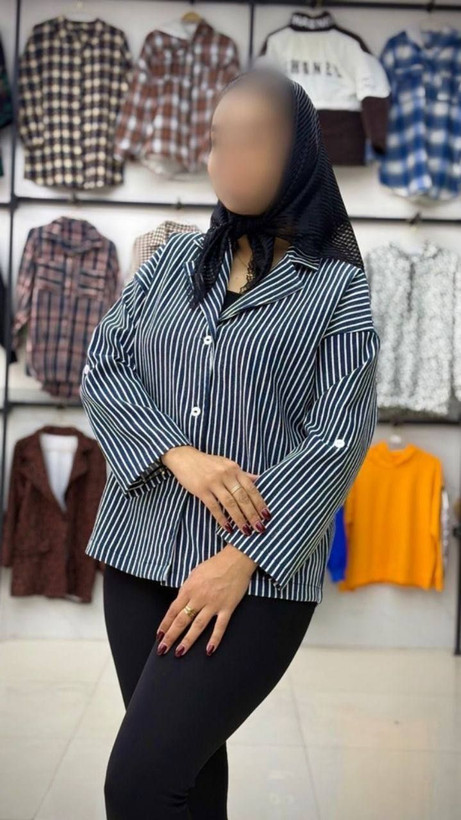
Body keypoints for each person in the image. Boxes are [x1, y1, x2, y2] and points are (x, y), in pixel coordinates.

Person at [80, 66, 380, 819]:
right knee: (184, 775)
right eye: (219, 141)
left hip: (254, 578)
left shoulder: (336, 286)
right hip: (139, 549)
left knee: (140, 783)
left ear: (299, 153)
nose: (229, 160)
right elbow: (104, 365)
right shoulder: (170, 261)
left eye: (254, 141)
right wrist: (178, 455)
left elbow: (340, 434)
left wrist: (242, 558)